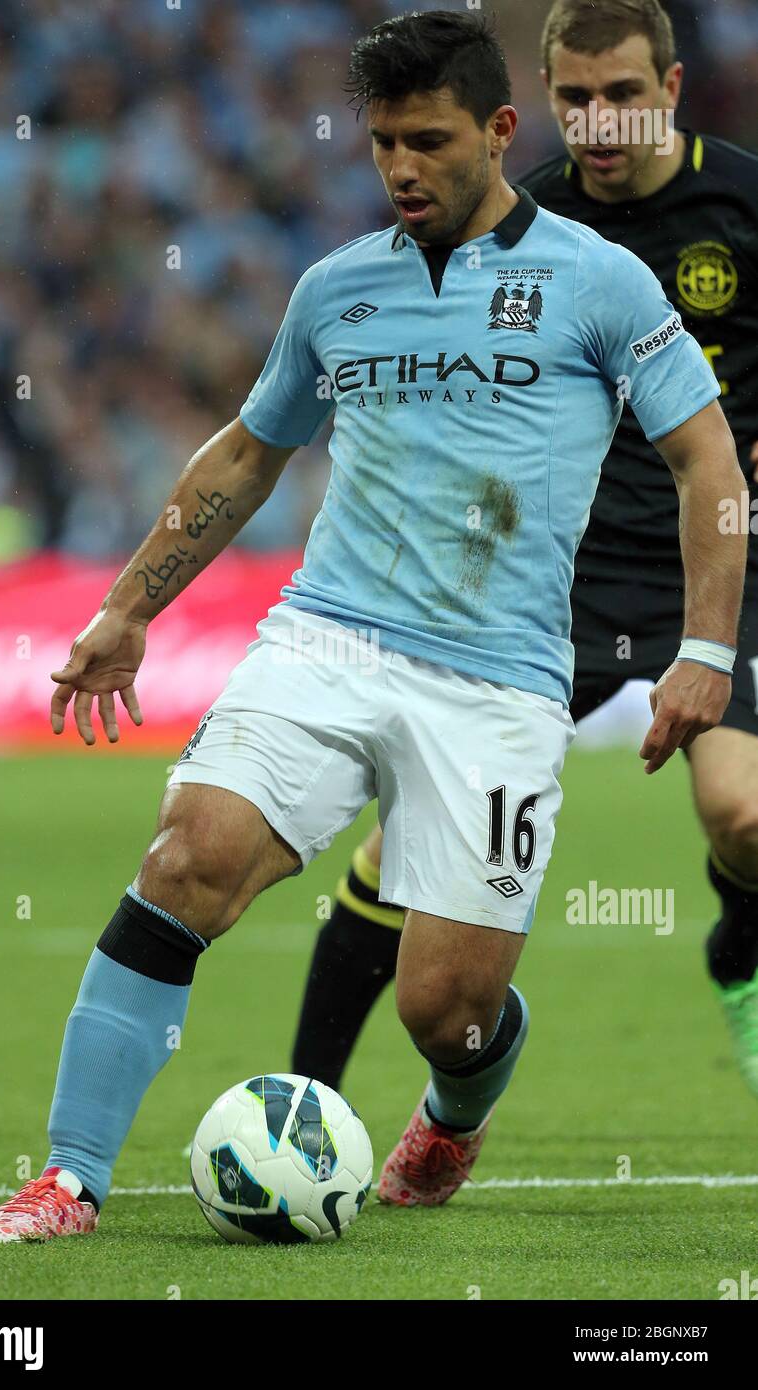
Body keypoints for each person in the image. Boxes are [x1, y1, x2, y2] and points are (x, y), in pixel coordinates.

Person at [0, 9, 744, 1241]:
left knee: (448, 1006)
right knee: (187, 859)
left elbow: (706, 457)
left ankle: (452, 1105)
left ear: (497, 132)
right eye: (380, 142)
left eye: (426, 141)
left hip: (494, 686)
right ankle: (69, 1176)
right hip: (325, 641)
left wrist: (704, 650)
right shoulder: (336, 287)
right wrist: (127, 605)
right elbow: (244, 454)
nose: (397, 169)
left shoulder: (601, 283)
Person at [292, 0, 758, 1167]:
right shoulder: (521, 222)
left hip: (715, 560)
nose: (598, 123)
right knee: (399, 846)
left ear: (671, 83)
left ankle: (735, 946)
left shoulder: (742, 207)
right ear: (540, 99)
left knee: (742, 814)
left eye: (622, 94)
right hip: (557, 574)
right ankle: (302, 1101)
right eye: (575, 98)